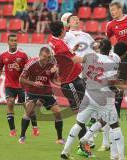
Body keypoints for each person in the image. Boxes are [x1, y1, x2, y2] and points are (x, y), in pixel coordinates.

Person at [61, 39, 127, 160]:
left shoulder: (90, 57)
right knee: (115, 126)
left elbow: (80, 69)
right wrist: (120, 90)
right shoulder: (111, 62)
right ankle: (121, 157)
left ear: (99, 47)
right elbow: (112, 84)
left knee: (79, 124)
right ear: (109, 49)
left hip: (88, 96)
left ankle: (65, 151)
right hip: (103, 99)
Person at [49, 21, 89, 156]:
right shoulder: (60, 45)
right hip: (70, 82)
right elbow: (74, 60)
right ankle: (82, 146)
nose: (66, 29)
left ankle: (86, 139)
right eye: (64, 28)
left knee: (85, 109)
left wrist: (72, 50)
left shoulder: (54, 41)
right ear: (61, 30)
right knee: (80, 113)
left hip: (73, 78)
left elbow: (65, 56)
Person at [0, 34, 39, 137]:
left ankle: (35, 127)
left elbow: (30, 69)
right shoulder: (3, 55)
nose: (14, 42)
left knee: (28, 108)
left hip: (22, 85)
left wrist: (20, 69)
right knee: (10, 102)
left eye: (15, 40)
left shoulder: (23, 54)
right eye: (12, 40)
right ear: (8, 42)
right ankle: (12, 130)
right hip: (9, 84)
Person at [18, 47, 64, 144]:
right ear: (39, 55)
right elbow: (21, 79)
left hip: (46, 91)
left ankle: (59, 139)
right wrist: (34, 83)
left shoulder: (52, 65)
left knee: (58, 112)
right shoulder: (31, 63)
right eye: (44, 57)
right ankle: (22, 136)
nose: (46, 59)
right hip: (32, 91)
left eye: (48, 57)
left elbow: (55, 79)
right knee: (29, 111)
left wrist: (56, 74)